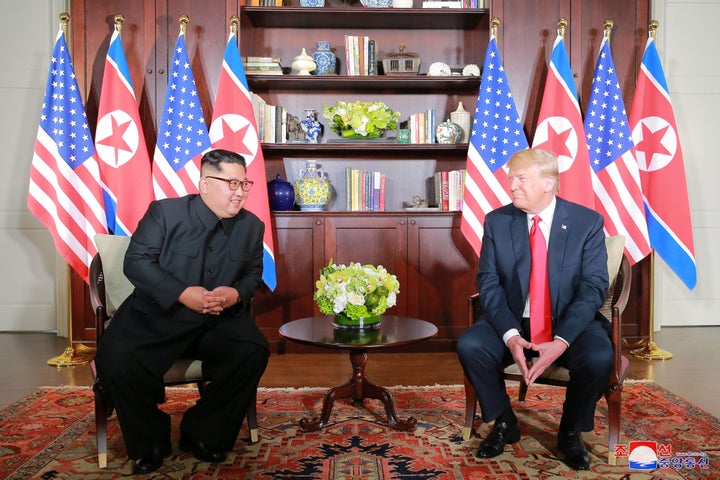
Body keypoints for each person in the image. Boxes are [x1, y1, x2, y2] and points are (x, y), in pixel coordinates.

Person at [94, 149, 270, 475]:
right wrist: (180, 293)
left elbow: (252, 274)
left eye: (245, 183)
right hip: (157, 315)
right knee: (114, 358)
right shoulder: (165, 213)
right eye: (231, 183)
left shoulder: (252, 226)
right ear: (205, 183)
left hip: (217, 320)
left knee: (254, 351)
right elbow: (137, 262)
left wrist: (236, 294)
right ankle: (150, 442)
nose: (240, 191)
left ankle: (204, 432)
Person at [456, 148, 612, 471]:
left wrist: (562, 340)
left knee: (599, 357)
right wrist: (511, 335)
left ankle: (570, 429)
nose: (512, 185)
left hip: (569, 324)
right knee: (470, 345)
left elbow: (594, 287)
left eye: (521, 179)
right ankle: (503, 420)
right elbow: (487, 282)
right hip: (513, 320)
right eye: (511, 178)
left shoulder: (587, 223)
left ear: (549, 183)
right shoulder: (498, 221)